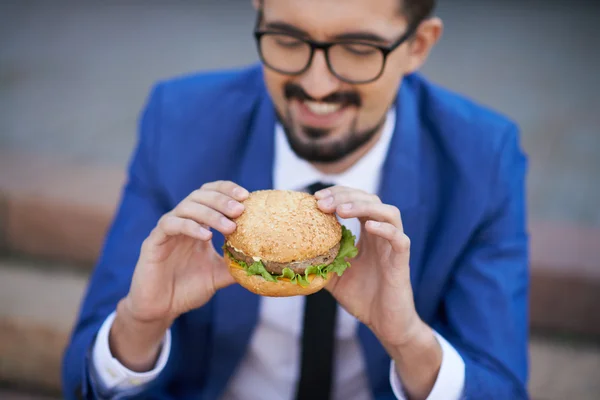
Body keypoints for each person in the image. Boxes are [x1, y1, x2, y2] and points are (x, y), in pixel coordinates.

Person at [62, 0, 530, 399]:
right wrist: (141, 324)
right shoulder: (180, 121)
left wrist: (408, 340)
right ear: (259, 13)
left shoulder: (482, 157)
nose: (317, 86)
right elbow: (80, 377)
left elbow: (501, 383)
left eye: (358, 50)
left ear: (419, 45)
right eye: (287, 40)